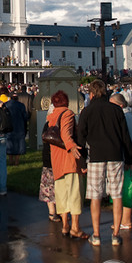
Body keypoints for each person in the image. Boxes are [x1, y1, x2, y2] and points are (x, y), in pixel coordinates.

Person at [77, 79, 132, 246]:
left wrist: (82, 162)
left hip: (95, 156)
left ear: (92, 94)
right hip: (115, 155)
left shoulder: (87, 112)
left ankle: (96, 234)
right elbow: (125, 137)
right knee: (117, 195)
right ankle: (115, 234)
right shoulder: (116, 110)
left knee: (95, 196)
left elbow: (81, 138)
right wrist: (129, 158)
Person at [46, 90, 87, 239]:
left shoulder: (51, 116)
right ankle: (75, 227)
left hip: (56, 160)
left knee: (61, 194)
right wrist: (72, 146)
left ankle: (65, 225)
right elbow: (66, 133)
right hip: (69, 158)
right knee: (74, 193)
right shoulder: (68, 114)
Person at [110, 93, 132, 229]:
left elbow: (124, 139)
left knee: (126, 190)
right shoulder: (130, 117)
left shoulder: (125, 117)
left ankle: (126, 220)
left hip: (125, 156)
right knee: (124, 188)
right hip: (128, 155)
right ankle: (123, 219)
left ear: (120, 105)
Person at [5, 91, 28, 166]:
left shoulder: (6, 105)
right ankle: (16, 161)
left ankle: (10, 160)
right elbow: (25, 117)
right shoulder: (21, 105)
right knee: (19, 144)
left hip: (9, 126)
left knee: (9, 143)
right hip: (19, 126)